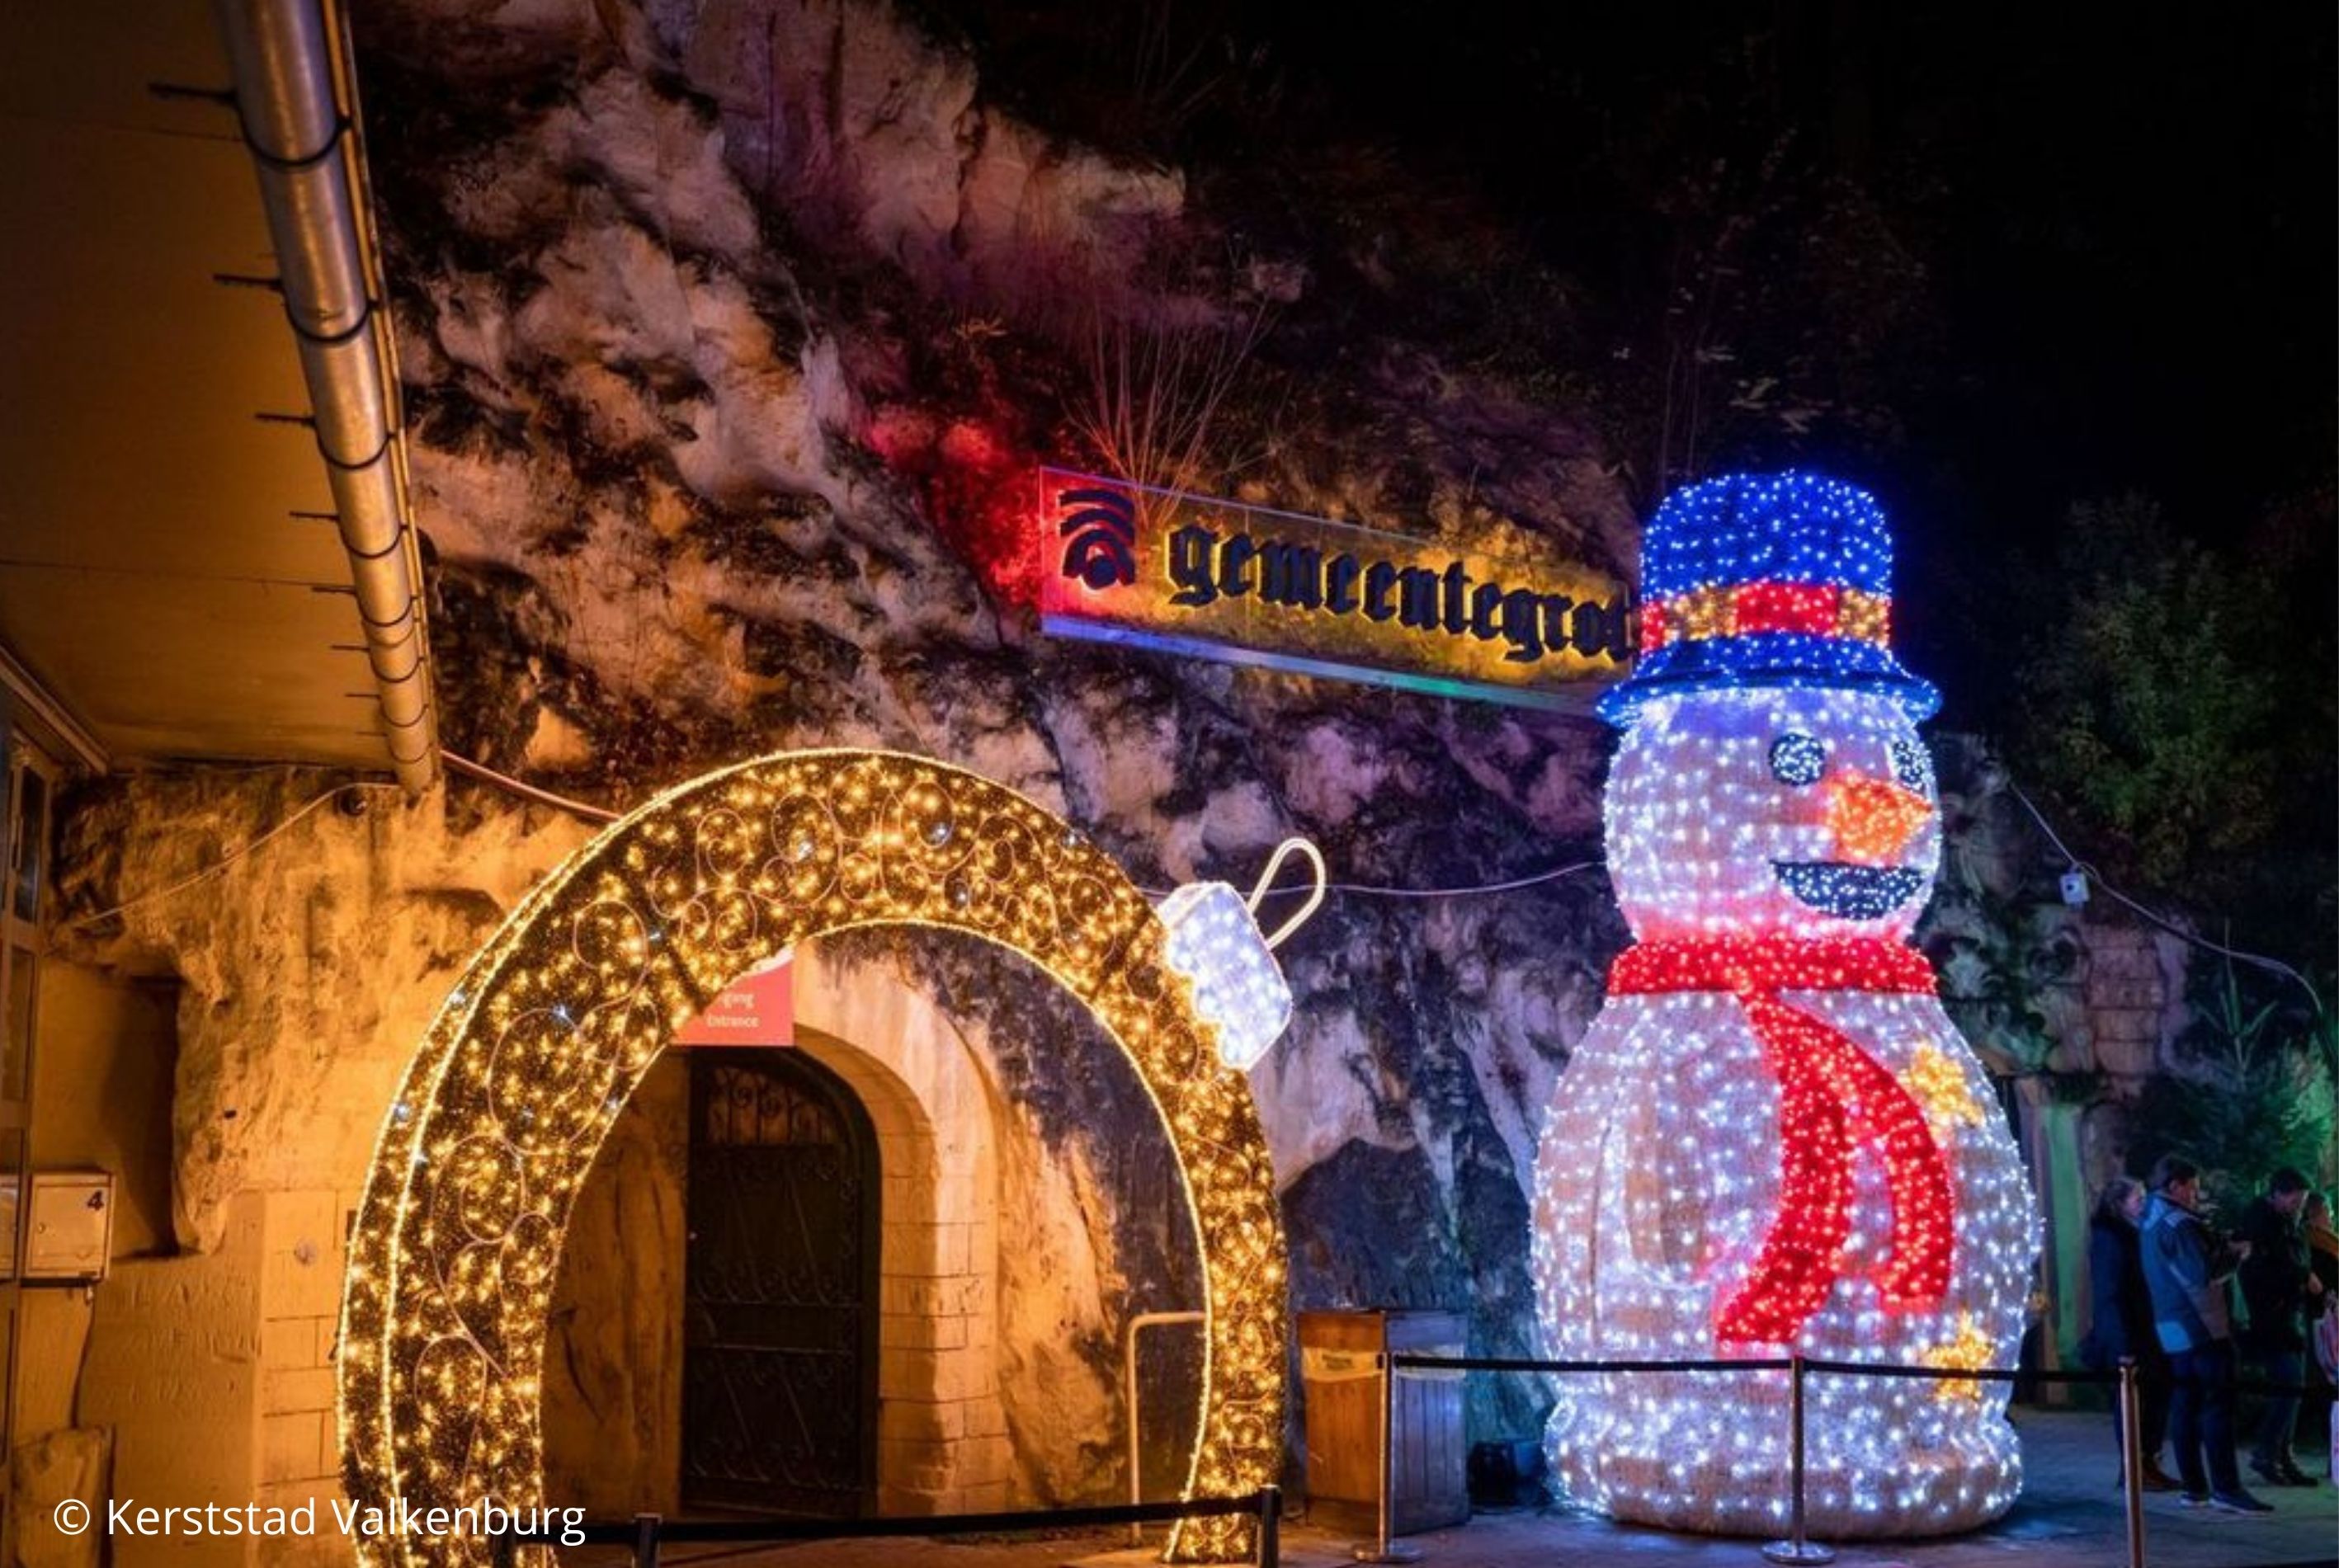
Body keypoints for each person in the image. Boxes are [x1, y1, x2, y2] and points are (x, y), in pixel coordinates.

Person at [2139, 1155, 2271, 1513]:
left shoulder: (2149, 1219)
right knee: (2217, 1406)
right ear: (2175, 1186)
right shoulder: (2178, 1223)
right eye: (2192, 1188)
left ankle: (2194, 1487)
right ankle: (2226, 1489)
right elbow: (2202, 1273)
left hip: (2169, 1324)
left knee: (2186, 1404)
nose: (2196, 1195)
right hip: (2201, 1324)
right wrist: (2237, 1255)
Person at [2082, 1175, 2177, 1490]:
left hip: (2147, 1330)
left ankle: (2149, 1462)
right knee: (2135, 1403)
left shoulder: (2136, 1234)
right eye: (2137, 1199)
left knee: (2155, 1399)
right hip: (2130, 1334)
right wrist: (2121, 1342)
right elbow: (2110, 1293)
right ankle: (2135, 1469)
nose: (2144, 1204)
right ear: (2119, 1204)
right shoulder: (2111, 1239)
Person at [2238, 1168, 2325, 1486]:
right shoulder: (2261, 1226)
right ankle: (2267, 1451)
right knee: (2287, 1385)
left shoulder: (2291, 1224)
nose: (2298, 1205)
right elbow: (2262, 1273)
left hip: (2290, 1316)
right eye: (2294, 1199)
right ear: (2277, 1194)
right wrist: (2301, 1277)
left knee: (2293, 1389)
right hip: (2270, 1319)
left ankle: (2282, 1455)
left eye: (2301, 1200)